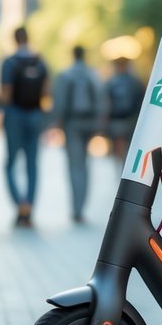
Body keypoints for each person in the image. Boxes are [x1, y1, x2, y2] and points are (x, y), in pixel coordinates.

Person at [1, 26, 48, 227]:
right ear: (28, 39)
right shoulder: (41, 62)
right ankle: (29, 206)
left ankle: (20, 204)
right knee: (32, 164)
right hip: (35, 115)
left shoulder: (9, 63)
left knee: (10, 163)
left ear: (14, 40)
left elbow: (5, 94)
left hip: (14, 114)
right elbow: (46, 94)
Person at [52, 46, 103, 223]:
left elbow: (59, 102)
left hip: (72, 124)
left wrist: (57, 123)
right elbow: (100, 99)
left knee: (75, 166)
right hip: (89, 123)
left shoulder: (66, 75)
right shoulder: (92, 75)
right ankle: (81, 206)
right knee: (85, 165)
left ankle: (76, 208)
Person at [105, 57, 145, 163]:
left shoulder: (111, 82)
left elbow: (106, 102)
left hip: (116, 120)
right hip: (131, 120)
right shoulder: (135, 81)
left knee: (119, 148)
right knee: (130, 148)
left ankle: (121, 169)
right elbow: (141, 101)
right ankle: (126, 167)